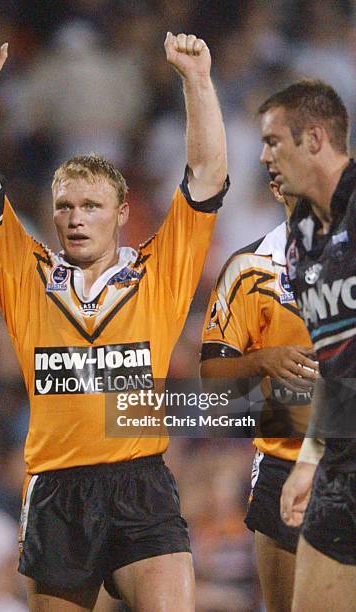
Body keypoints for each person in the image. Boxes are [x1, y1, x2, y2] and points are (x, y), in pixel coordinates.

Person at [0, 34, 228, 612]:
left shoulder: (159, 273)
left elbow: (204, 176)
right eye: (64, 206)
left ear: (122, 212)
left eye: (92, 206)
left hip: (139, 484)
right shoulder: (26, 276)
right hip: (56, 489)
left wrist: (198, 82)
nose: (76, 220)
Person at [259, 79, 356, 612]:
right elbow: (335, 368)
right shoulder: (300, 243)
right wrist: (307, 463)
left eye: (274, 142)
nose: (263, 156)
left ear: (315, 139)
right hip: (341, 468)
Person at [200, 178, 318, 612]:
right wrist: (263, 360)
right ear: (275, 186)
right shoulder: (249, 266)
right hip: (282, 458)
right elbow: (212, 379)